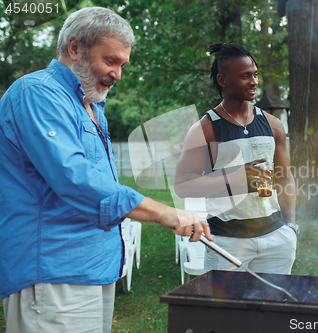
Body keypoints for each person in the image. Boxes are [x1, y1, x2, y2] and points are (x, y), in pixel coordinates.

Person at [0, 7, 212, 333]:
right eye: (111, 61)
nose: (118, 75)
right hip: (53, 270)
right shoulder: (38, 93)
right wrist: (161, 212)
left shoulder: (93, 107)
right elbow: (74, 178)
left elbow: (99, 181)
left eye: (122, 65)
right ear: (75, 49)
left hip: (96, 268)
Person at [175, 43, 297, 274]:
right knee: (228, 311)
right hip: (227, 241)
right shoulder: (205, 129)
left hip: (275, 239)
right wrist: (235, 177)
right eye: (245, 76)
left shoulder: (273, 125)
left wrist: (290, 226)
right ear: (222, 80)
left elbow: (284, 177)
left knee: (274, 308)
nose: (254, 82)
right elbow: (182, 185)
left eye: (255, 74)